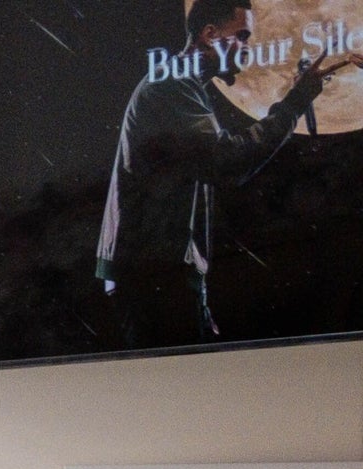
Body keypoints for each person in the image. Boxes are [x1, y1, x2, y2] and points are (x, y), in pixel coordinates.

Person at [97, 1, 356, 348]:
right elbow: (229, 161)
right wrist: (294, 104)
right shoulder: (171, 85)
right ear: (209, 35)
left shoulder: (178, 85)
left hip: (158, 276)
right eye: (242, 36)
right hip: (156, 278)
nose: (248, 49)